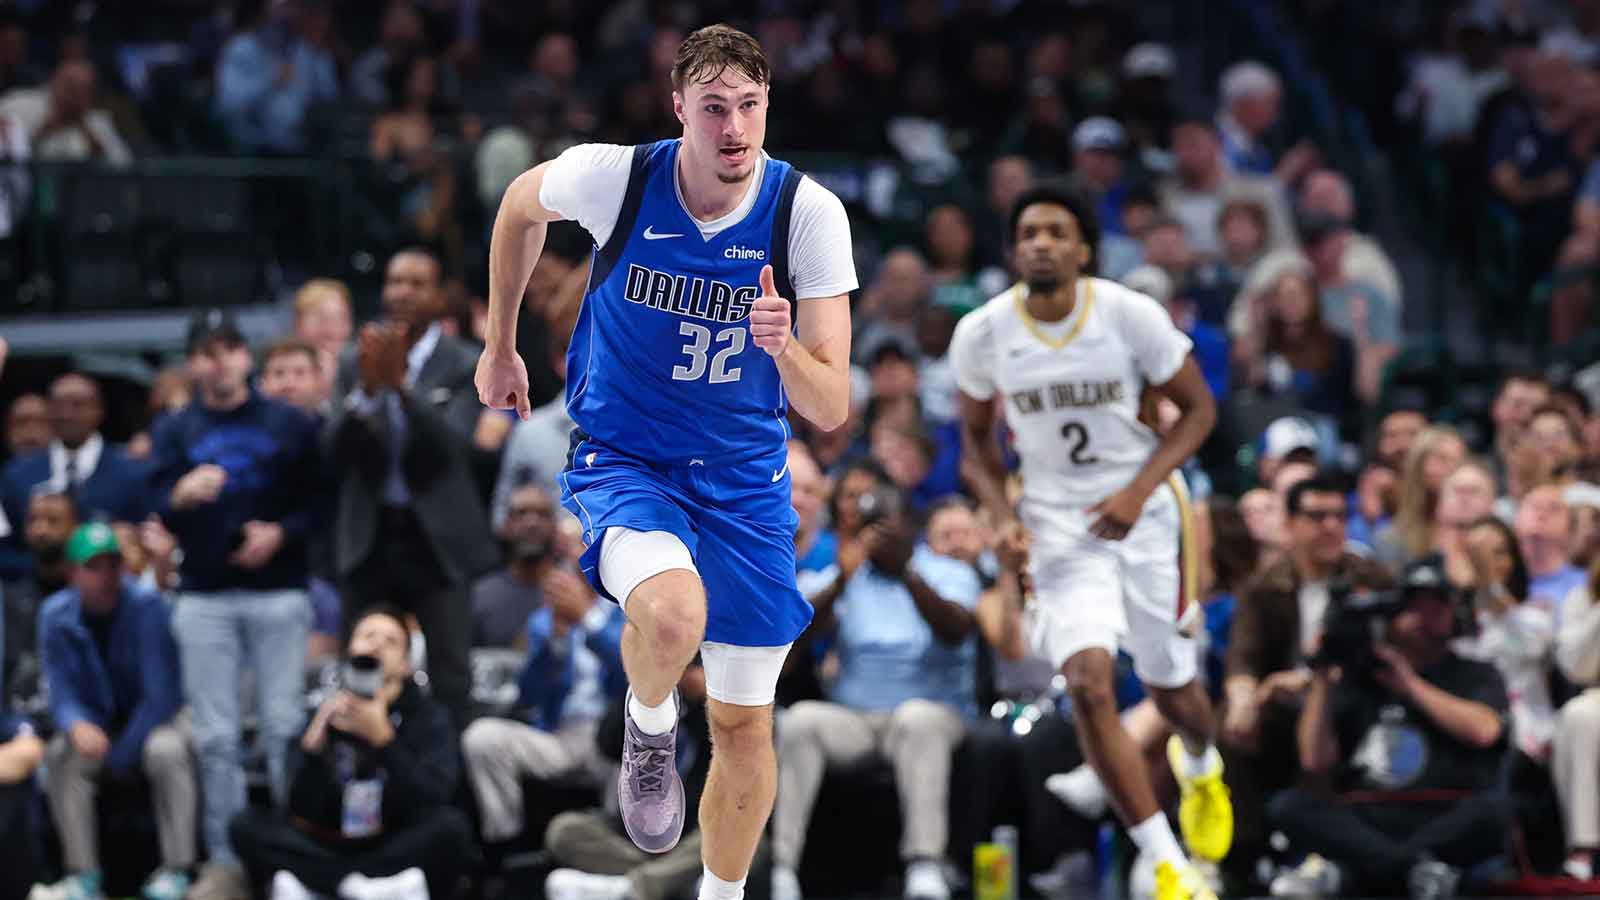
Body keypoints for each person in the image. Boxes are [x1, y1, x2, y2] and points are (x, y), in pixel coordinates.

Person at [473, 24, 856, 900]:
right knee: (674, 619)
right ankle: (647, 725)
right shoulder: (621, 176)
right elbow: (517, 209)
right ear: (678, 107)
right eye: (714, 108)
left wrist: (784, 346)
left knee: (745, 728)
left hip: (746, 483)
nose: (734, 129)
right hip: (629, 458)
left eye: (750, 107)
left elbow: (829, 405)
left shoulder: (808, 213)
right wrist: (501, 343)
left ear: (769, 107)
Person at [951, 181, 1226, 900]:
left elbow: (1199, 411)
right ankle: (1167, 860)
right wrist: (1001, 515)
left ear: (1082, 249)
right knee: (1089, 684)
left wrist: (1138, 490)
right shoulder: (982, 333)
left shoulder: (1129, 315)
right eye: (1029, 232)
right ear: (1013, 250)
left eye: (1056, 231)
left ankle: (1200, 763)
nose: (1041, 242)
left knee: (1175, 693)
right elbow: (975, 449)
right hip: (1057, 526)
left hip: (1146, 513)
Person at [147, 309, 323, 900]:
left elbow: (319, 505)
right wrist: (178, 493)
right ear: (193, 362)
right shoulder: (174, 429)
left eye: (227, 348)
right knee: (216, 737)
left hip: (278, 588)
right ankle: (227, 858)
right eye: (205, 351)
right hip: (204, 593)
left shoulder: (290, 423)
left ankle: (293, 853)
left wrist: (278, 533)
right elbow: (149, 502)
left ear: (245, 358)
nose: (217, 361)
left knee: (284, 726)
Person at [772, 474, 981, 900]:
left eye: (889, 526)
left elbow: (957, 630)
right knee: (798, 722)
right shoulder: (846, 575)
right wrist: (842, 582)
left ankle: (925, 865)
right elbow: (792, 640)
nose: (879, 537)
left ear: (910, 527)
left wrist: (907, 573)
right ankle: (781, 868)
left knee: (916, 719)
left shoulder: (944, 570)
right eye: (871, 528)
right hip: (857, 719)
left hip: (935, 712)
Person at [1267, 556, 1512, 899]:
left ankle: (1358, 873)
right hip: (1369, 818)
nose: (1422, 618)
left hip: (1442, 817)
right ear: (1391, 613)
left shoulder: (1475, 673)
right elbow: (1315, 761)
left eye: (1435, 606)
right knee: (1289, 806)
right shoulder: (1359, 676)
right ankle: (1414, 871)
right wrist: (1321, 675)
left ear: (1452, 611)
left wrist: (1410, 686)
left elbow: (1484, 730)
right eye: (1413, 606)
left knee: (1495, 812)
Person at [327, 247, 501, 726]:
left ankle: (449, 795)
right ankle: (359, 785)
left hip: (438, 544)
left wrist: (400, 386)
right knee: (358, 670)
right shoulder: (353, 362)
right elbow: (332, 452)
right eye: (394, 282)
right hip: (370, 535)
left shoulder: (466, 362)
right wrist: (365, 391)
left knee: (450, 680)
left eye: (416, 283)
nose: (401, 293)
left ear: (440, 295)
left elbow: (453, 445)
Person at [229, 606, 474, 900]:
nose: (377, 644)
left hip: (394, 838)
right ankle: (358, 885)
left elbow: (431, 799)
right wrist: (314, 747)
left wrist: (384, 741)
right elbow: (298, 808)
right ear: (349, 650)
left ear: (406, 665)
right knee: (245, 825)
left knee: (451, 829)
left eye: (391, 640)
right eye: (368, 635)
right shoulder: (327, 710)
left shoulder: (429, 717)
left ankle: (321, 882)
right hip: (330, 840)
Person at [1221, 476, 1394, 868]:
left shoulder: (1370, 578)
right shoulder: (1265, 585)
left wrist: (1305, 678)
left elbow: (1381, 653)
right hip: (1283, 706)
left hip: (1353, 697)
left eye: (1339, 516)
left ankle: (1324, 848)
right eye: (1317, 516)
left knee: (1338, 718)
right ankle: (1247, 855)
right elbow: (1243, 656)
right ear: (1291, 524)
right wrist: (1243, 700)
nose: (1330, 526)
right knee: (1230, 725)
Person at [32, 522, 194, 900]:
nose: (105, 576)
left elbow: (160, 695)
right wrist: (75, 724)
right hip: (98, 725)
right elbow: (60, 690)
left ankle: (178, 868)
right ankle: (83, 876)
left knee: (166, 750)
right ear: (71, 572)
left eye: (112, 564)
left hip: (153, 722)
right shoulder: (54, 614)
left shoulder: (148, 608)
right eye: (94, 567)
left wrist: (122, 754)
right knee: (60, 753)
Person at [460, 572, 626, 845]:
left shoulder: (630, 612)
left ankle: (613, 848)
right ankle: (505, 848)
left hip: (610, 735)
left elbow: (634, 676)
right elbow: (529, 694)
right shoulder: (543, 621)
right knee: (482, 738)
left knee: (638, 749)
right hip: (558, 734)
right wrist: (556, 643)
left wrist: (587, 619)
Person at [1, 373, 149, 578]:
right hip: (31, 597)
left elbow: (144, 542)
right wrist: (44, 567)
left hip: (111, 594)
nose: (67, 414)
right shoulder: (17, 475)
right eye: (58, 405)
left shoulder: (131, 473)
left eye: (78, 405)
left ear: (98, 410)